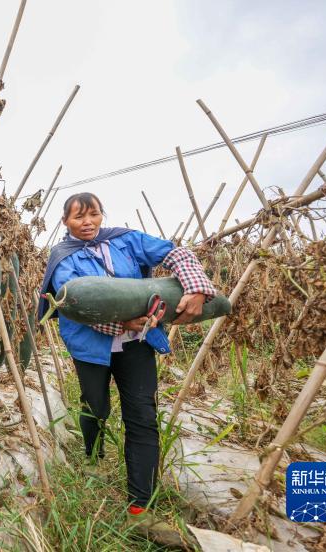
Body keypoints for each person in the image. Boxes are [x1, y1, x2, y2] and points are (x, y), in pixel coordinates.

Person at [36, 192, 217, 543]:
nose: (87, 222)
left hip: (137, 343)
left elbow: (176, 253)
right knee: (95, 406)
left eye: (93, 214)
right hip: (90, 345)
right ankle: (93, 454)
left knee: (142, 416)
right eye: (78, 217)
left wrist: (196, 288)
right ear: (65, 222)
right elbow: (73, 303)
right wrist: (120, 323)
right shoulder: (62, 256)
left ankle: (140, 509)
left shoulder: (126, 240)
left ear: (102, 215)